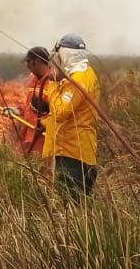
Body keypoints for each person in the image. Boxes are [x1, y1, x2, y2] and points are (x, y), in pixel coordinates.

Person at [42, 33, 100, 197]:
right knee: (78, 207)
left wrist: (52, 85)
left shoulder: (78, 80)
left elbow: (61, 112)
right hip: (78, 150)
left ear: (64, 56)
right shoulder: (84, 74)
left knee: (70, 206)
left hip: (72, 152)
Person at [21, 46, 54, 156]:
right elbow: (29, 106)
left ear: (37, 61)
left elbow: (58, 114)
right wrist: (17, 110)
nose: (27, 66)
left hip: (43, 141)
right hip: (28, 138)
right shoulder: (33, 80)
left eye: (29, 62)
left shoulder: (53, 83)